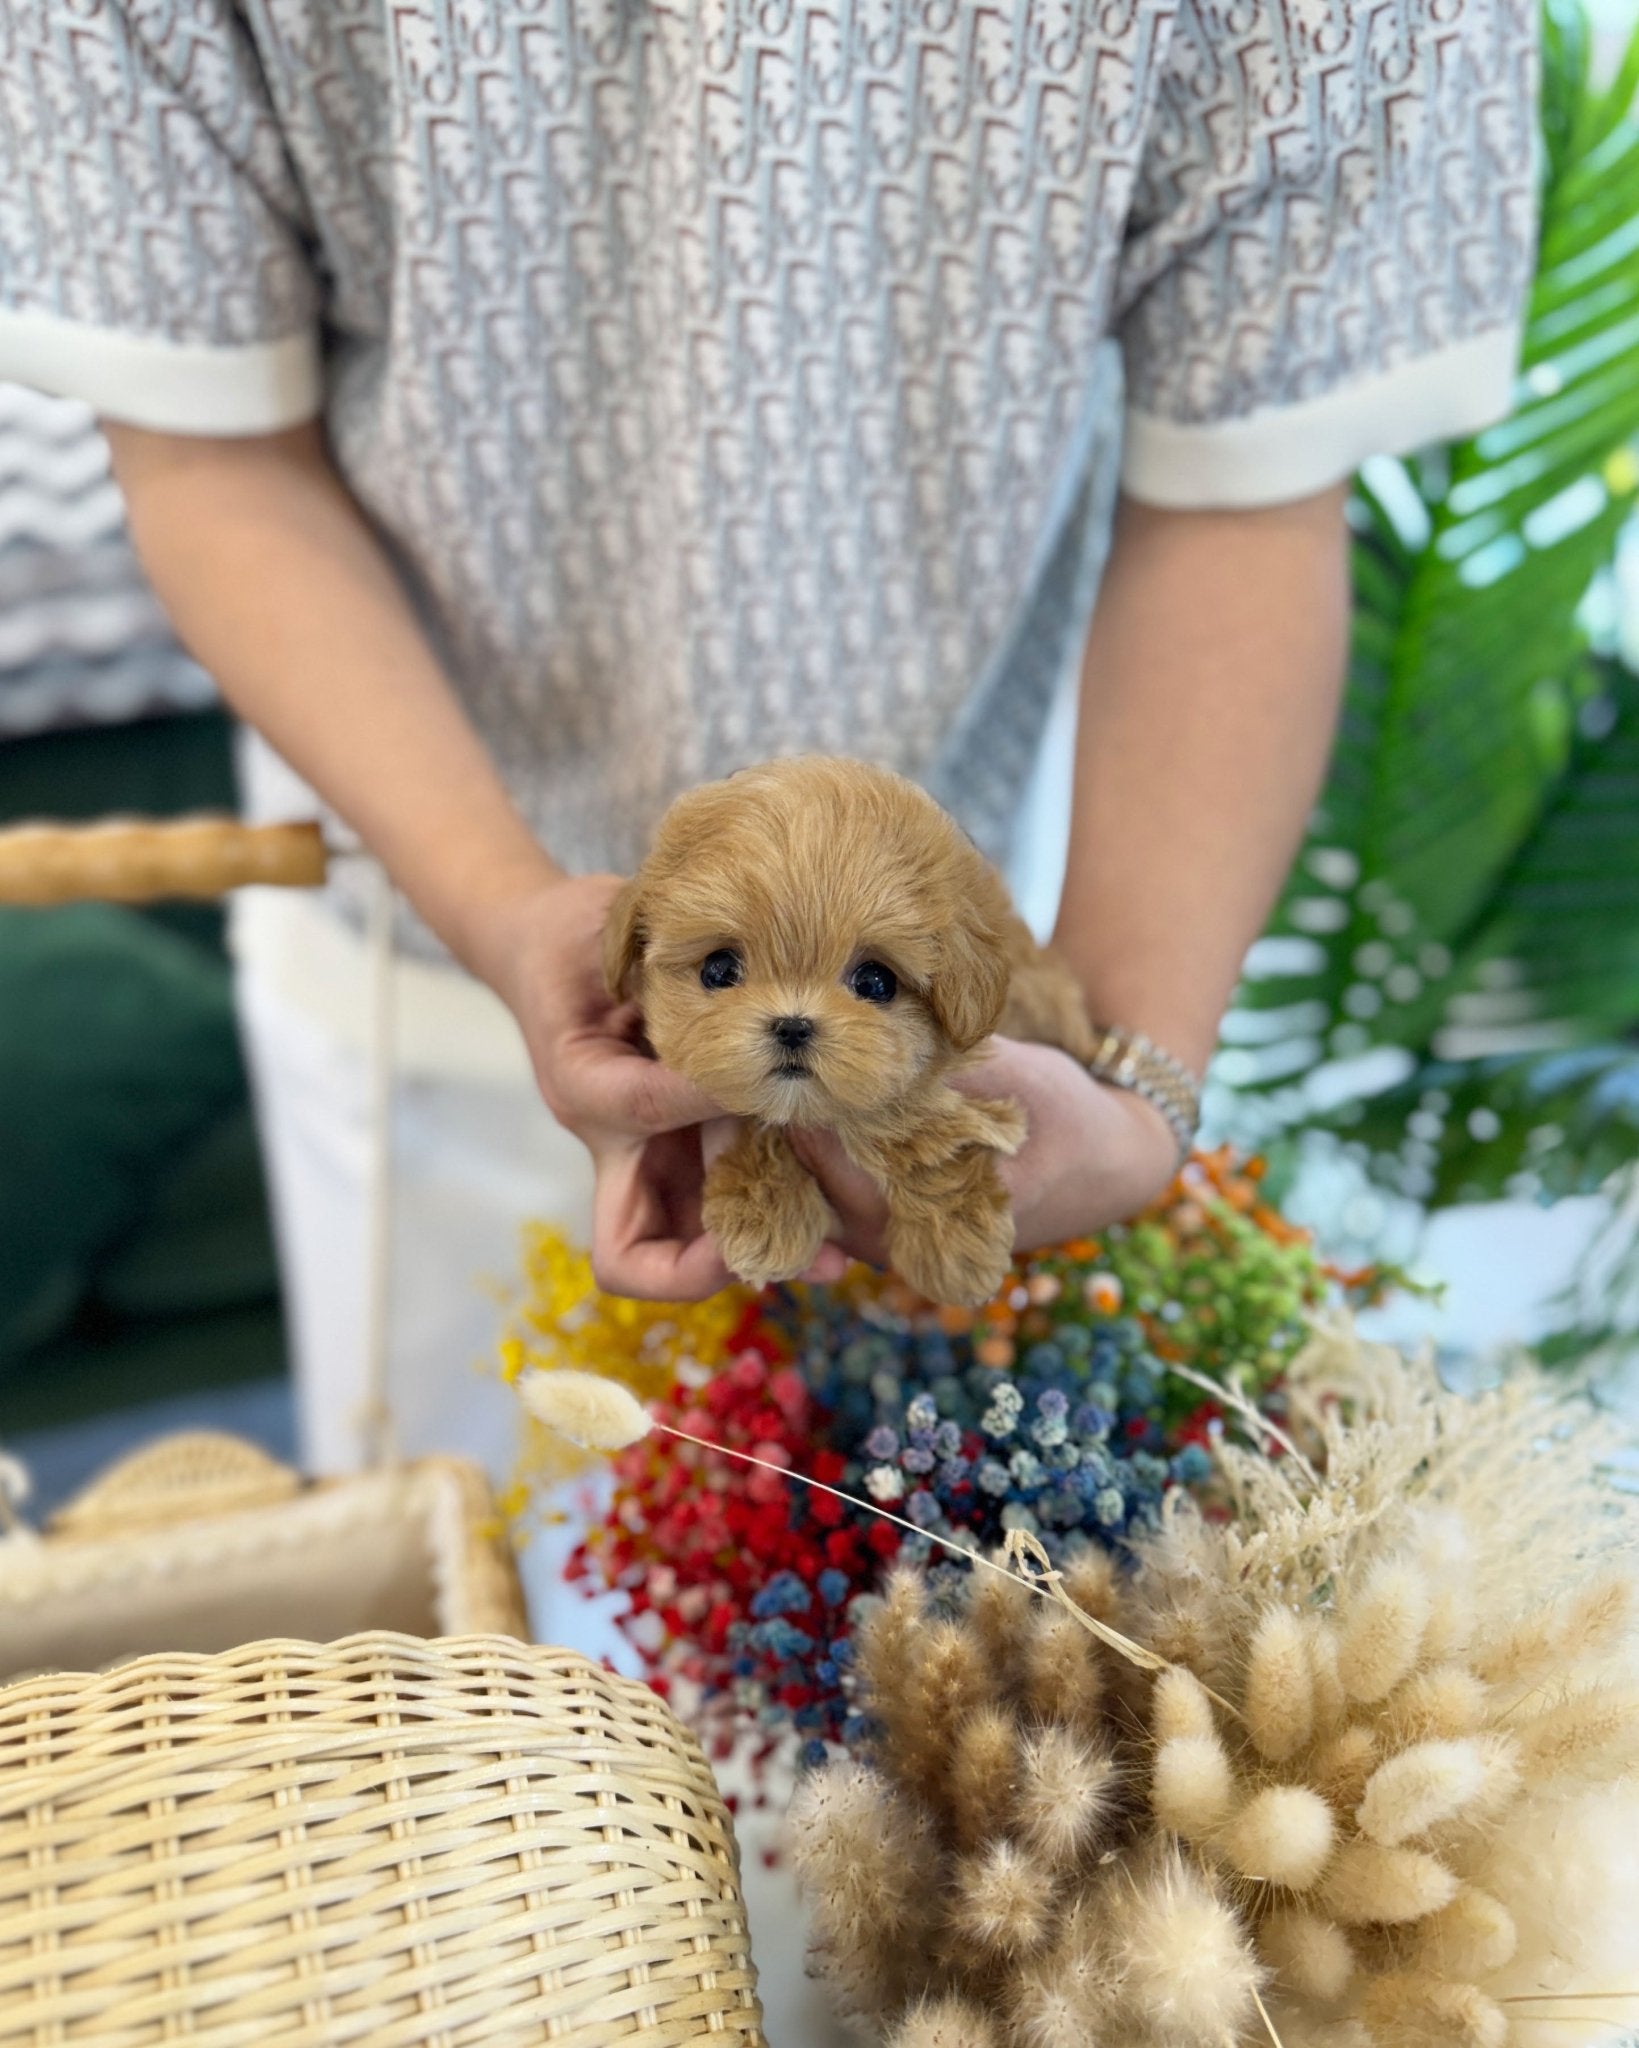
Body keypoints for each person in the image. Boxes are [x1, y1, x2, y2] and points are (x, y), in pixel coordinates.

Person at [0, 0, 1536, 1478]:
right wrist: (502, 897)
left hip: (983, 973)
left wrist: (1140, 1088)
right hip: (414, 906)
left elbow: (1254, 465)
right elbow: (209, 441)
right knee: (465, 1630)